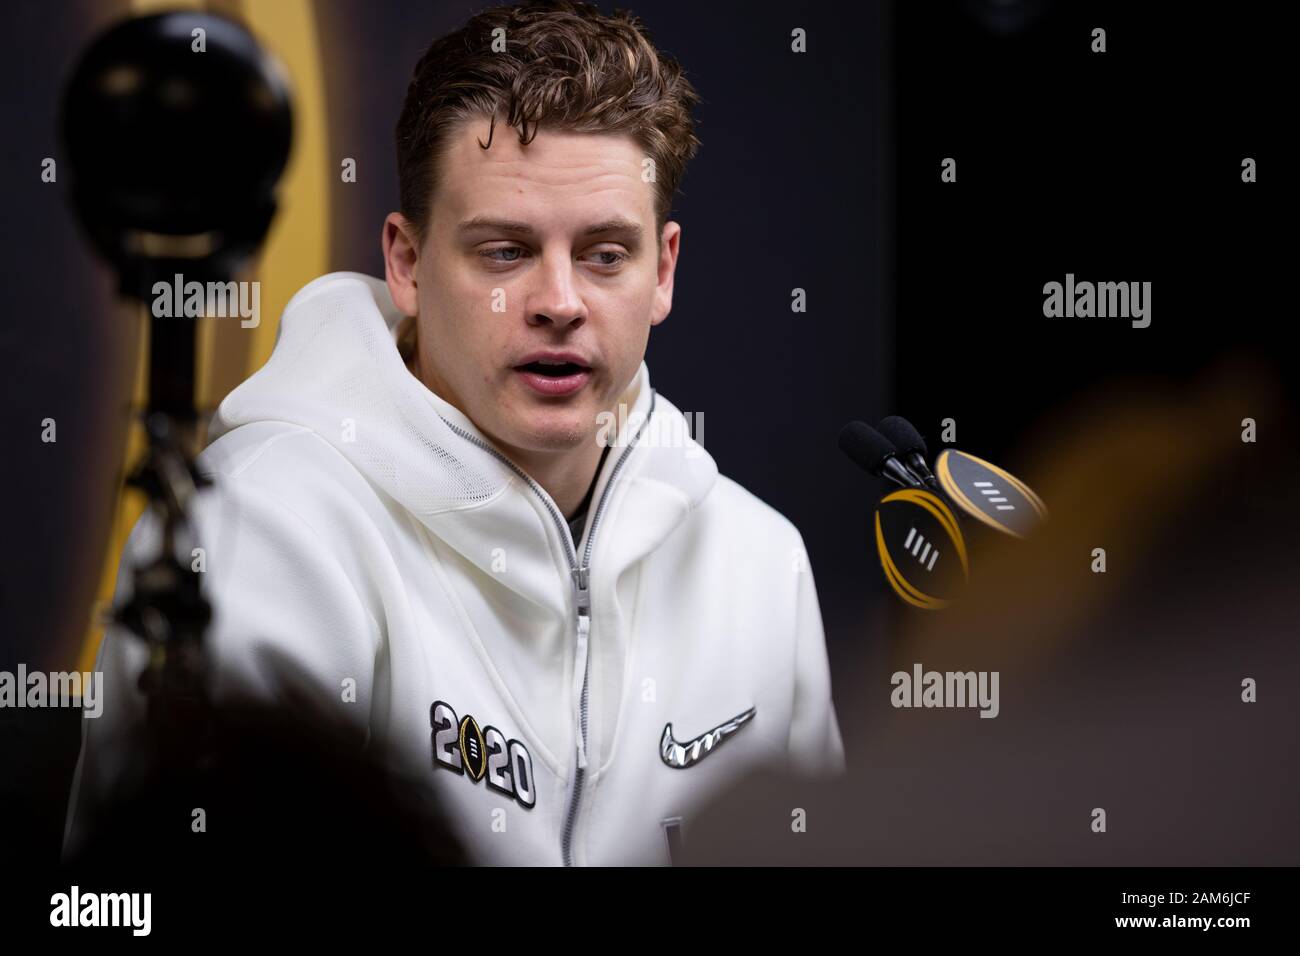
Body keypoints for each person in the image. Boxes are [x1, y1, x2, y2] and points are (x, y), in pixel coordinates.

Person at [65, 0, 844, 867]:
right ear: (405, 262)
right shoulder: (255, 527)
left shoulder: (759, 564)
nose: (558, 302)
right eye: (505, 251)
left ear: (663, 270)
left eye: (605, 254)